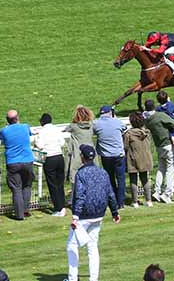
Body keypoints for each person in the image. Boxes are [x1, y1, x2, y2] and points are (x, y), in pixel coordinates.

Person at [66, 144, 120, 281]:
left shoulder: (81, 173)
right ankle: (93, 278)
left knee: (72, 245)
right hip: (99, 214)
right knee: (92, 246)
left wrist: (75, 216)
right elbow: (110, 194)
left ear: (82, 158)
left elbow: (80, 196)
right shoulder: (103, 172)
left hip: (84, 216)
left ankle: (72, 278)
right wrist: (114, 212)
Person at [145, 99, 174, 204]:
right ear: (154, 106)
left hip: (159, 145)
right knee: (170, 169)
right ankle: (167, 194)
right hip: (167, 144)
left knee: (161, 169)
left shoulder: (147, 119)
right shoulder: (159, 115)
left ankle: (157, 191)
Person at [0, 110, 34, 220]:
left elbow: (2, 138)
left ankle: (19, 215)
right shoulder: (25, 127)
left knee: (16, 188)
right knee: (27, 185)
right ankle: (25, 210)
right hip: (27, 160)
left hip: (13, 162)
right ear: (17, 118)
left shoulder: (4, 131)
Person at [93, 105, 127, 209]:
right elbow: (124, 128)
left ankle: (113, 201)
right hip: (118, 155)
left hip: (106, 156)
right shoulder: (117, 121)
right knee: (121, 179)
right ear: (110, 113)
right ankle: (121, 202)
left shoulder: (97, 124)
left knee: (110, 178)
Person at [33, 113, 67, 217]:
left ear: (42, 122)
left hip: (50, 158)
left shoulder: (42, 132)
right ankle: (62, 205)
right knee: (60, 183)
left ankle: (58, 208)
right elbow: (62, 142)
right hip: (59, 157)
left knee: (52, 184)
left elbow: (40, 145)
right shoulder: (56, 129)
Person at [123, 112, 153, 208]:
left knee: (133, 180)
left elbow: (125, 146)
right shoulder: (147, 132)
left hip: (133, 159)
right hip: (146, 158)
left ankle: (135, 201)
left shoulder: (129, 134)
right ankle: (149, 200)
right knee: (145, 179)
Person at [64, 105, 96, 184]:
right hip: (91, 156)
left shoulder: (74, 127)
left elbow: (65, 130)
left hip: (77, 157)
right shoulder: (91, 125)